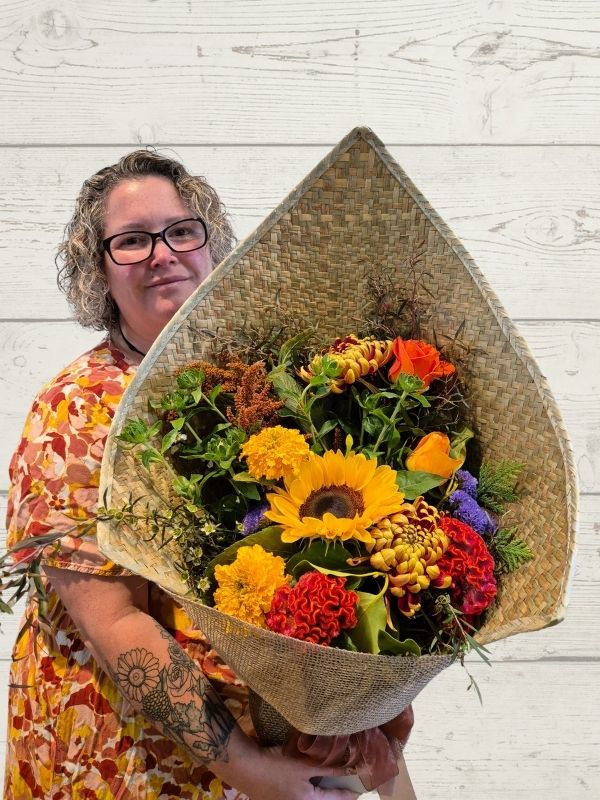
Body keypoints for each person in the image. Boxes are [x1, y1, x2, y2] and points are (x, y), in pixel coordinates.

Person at [4, 150, 413, 799]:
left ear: (211, 244)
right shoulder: (77, 412)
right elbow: (115, 622)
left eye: (181, 231)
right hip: (129, 759)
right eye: (131, 241)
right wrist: (249, 769)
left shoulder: (266, 382)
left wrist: (360, 706)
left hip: (272, 752)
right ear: (97, 270)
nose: (162, 254)